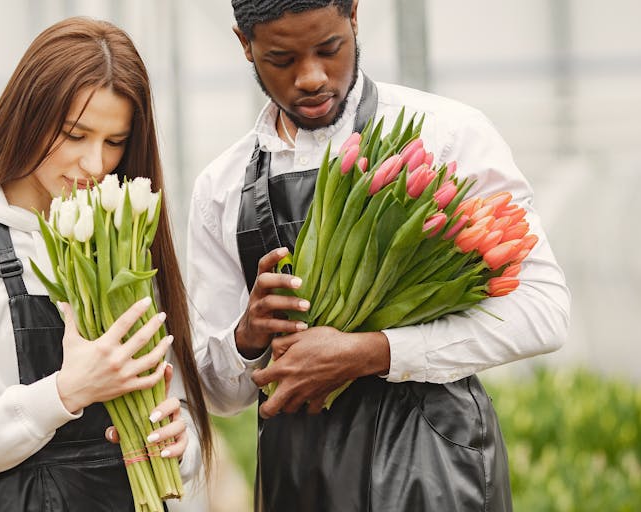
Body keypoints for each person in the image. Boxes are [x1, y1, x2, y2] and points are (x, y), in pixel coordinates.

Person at [186, 1, 570, 511]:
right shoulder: (222, 187)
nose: (312, 77)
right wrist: (247, 336)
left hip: (434, 474)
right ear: (244, 44)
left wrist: (374, 351)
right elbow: (218, 395)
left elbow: (543, 313)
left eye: (330, 48)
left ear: (355, 17)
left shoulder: (448, 135)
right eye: (281, 59)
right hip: (297, 484)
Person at [0, 17, 212, 511]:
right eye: (75, 135)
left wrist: (177, 440)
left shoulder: (122, 241)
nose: (96, 164)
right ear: (29, 115)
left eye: (115, 141)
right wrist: (65, 392)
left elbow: (179, 411)